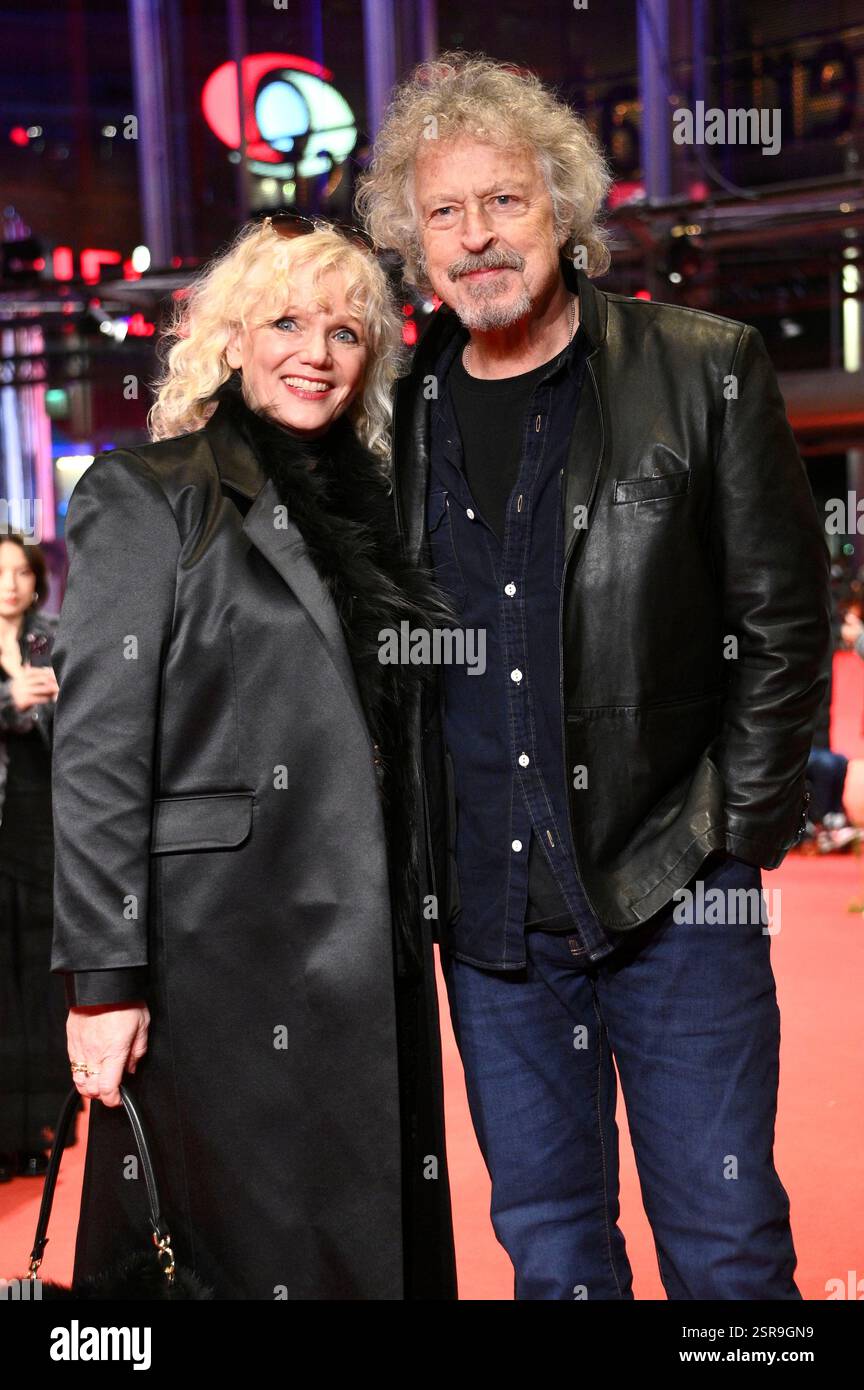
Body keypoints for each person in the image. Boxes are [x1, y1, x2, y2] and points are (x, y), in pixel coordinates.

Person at [357, 51, 831, 1299]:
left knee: (728, 1254)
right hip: (493, 927)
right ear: (415, 248)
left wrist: (734, 835)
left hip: (677, 895)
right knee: (552, 1254)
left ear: (561, 208)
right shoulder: (393, 418)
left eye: (503, 200)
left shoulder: (702, 367)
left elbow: (782, 619)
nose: (476, 237)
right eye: (443, 214)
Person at [50, 218, 457, 1299]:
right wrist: (104, 981)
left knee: (369, 1236)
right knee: (233, 1248)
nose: (315, 351)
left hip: (369, 945)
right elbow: (94, 753)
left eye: (345, 331)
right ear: (231, 340)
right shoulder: (148, 492)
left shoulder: (374, 512)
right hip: (217, 957)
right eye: (286, 321)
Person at [0, 535, 68, 1181]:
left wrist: (45, 706)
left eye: (21, 572)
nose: (11, 584)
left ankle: (44, 1116)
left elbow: (77, 719)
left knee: (40, 977)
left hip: (40, 823)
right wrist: (10, 701)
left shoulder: (50, 638)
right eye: (0, 573)